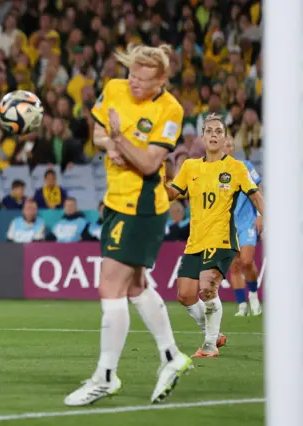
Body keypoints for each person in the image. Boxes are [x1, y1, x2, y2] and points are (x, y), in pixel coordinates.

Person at [64, 44, 192, 407]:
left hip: (143, 205)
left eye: (143, 79)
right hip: (117, 201)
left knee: (110, 286)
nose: (134, 83)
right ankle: (171, 356)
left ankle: (105, 375)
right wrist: (113, 143)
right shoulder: (116, 89)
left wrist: (120, 140)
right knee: (135, 285)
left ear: (162, 80)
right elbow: (97, 136)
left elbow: (151, 164)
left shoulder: (171, 110)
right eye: (132, 74)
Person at [167, 114, 264, 358]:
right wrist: (157, 176)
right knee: (185, 295)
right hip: (195, 242)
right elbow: (171, 194)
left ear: (224, 138)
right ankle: (214, 333)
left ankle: (210, 345)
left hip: (222, 239)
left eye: (218, 131)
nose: (213, 134)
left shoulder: (236, 168)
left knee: (208, 286)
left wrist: (266, 217)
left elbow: (255, 195)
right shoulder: (190, 167)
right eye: (209, 130)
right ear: (202, 137)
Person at [223, 136, 263, 316]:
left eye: (231, 145)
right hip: (227, 224)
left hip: (247, 220)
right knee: (235, 265)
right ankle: (241, 305)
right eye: (226, 145)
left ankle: (254, 297)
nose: (228, 148)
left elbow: (258, 188)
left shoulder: (245, 166)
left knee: (247, 261)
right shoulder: (215, 171)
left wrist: (261, 214)